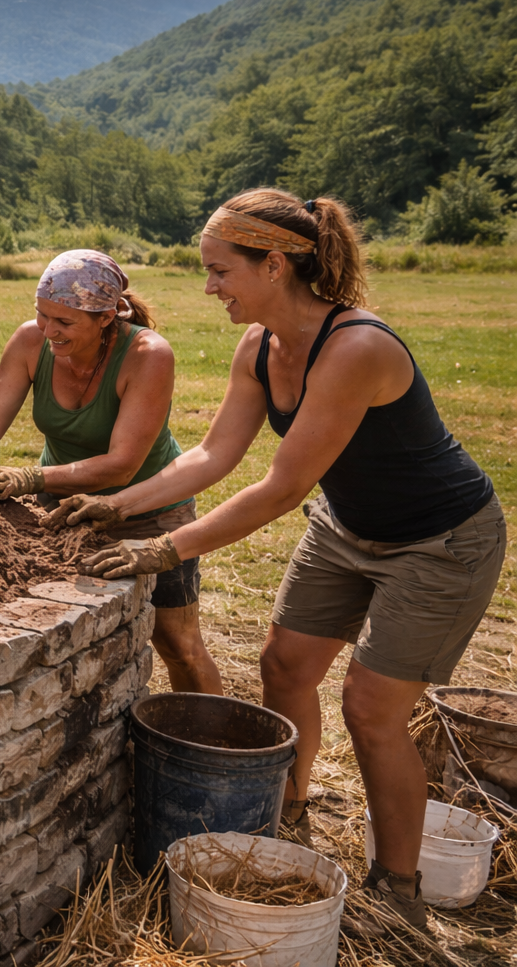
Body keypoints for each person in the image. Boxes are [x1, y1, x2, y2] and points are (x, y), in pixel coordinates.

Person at [63, 189, 506, 928]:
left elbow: (281, 488)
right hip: (347, 527)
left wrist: (166, 547)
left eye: (217, 271)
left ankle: (398, 891)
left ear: (273, 265)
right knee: (285, 666)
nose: (208, 289)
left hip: (441, 541)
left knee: (370, 708)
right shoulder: (259, 347)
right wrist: (120, 505)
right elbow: (212, 455)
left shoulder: (358, 345)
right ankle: (290, 815)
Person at [0, 250, 221, 695]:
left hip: (148, 509)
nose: (49, 331)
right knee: (68, 627)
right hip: (63, 508)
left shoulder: (146, 354)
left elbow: (123, 463)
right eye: (42, 316)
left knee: (178, 642)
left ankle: (207, 741)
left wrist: (32, 478)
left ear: (104, 318)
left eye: (64, 322)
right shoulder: (30, 342)